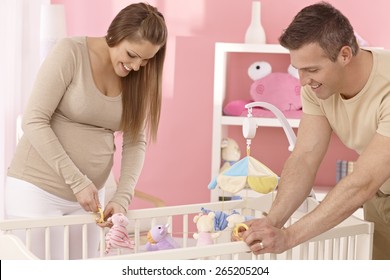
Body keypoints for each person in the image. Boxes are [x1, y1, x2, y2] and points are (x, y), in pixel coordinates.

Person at [4, 2, 167, 259]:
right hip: (37, 191)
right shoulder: (71, 52)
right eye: (132, 55)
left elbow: (135, 142)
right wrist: (77, 181)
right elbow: (34, 120)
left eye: (146, 60)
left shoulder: (138, 77)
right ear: (116, 34)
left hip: (91, 200)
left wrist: (122, 197)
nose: (136, 66)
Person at [237, 1, 390, 260]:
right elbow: (305, 155)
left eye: (312, 69)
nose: (303, 81)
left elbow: (363, 180)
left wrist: (290, 236)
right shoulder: (317, 87)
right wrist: (273, 222)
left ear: (344, 55)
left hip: (372, 184)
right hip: (381, 195)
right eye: (299, 69)